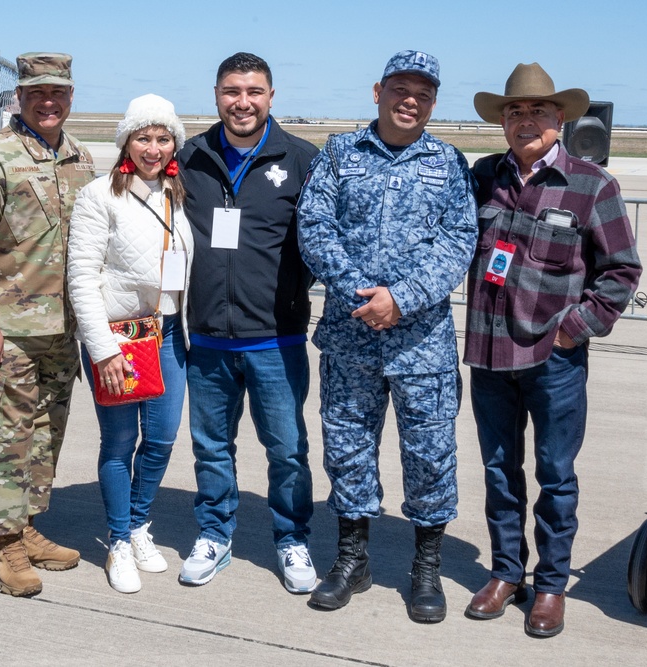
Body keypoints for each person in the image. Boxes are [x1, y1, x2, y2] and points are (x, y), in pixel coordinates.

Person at [297, 50, 477, 623]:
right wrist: (362, 295)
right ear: (377, 91)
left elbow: (458, 242)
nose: (411, 100)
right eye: (401, 88)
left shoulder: (449, 163)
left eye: (423, 93)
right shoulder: (339, 154)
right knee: (348, 449)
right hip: (352, 338)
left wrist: (401, 299)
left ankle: (425, 569)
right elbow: (314, 225)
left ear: (433, 102)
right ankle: (352, 559)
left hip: (422, 343)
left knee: (430, 456)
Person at [463, 63, 642, 637]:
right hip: (490, 356)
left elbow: (621, 272)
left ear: (559, 119)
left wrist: (576, 326)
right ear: (503, 122)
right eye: (514, 112)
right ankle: (506, 573)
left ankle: (550, 585)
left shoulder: (591, 184)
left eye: (538, 111)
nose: (525, 121)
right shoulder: (483, 177)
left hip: (553, 359)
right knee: (498, 471)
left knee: (555, 474)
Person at [0, 52, 95, 598]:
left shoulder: (80, 157)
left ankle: (27, 525)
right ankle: (3, 545)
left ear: (70, 95)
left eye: (57, 91)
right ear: (20, 96)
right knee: (2, 440)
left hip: (61, 329)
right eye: (37, 92)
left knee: (44, 436)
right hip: (6, 330)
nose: (48, 100)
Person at [176, 52, 319, 592]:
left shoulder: (303, 160)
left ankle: (292, 538)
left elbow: (320, 243)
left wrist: (288, 299)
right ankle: (215, 533)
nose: (242, 102)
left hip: (275, 339)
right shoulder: (189, 158)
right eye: (232, 91)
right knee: (211, 446)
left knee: (286, 449)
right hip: (208, 337)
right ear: (216, 95)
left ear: (271, 97)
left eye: (254, 92)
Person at [67, 94, 193, 594]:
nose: (154, 148)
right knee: (120, 442)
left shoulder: (177, 193)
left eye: (164, 138)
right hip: (118, 339)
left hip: (167, 336)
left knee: (161, 439)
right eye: (144, 137)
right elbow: (81, 276)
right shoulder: (101, 195)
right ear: (126, 141)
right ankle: (119, 540)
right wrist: (102, 350)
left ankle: (140, 524)